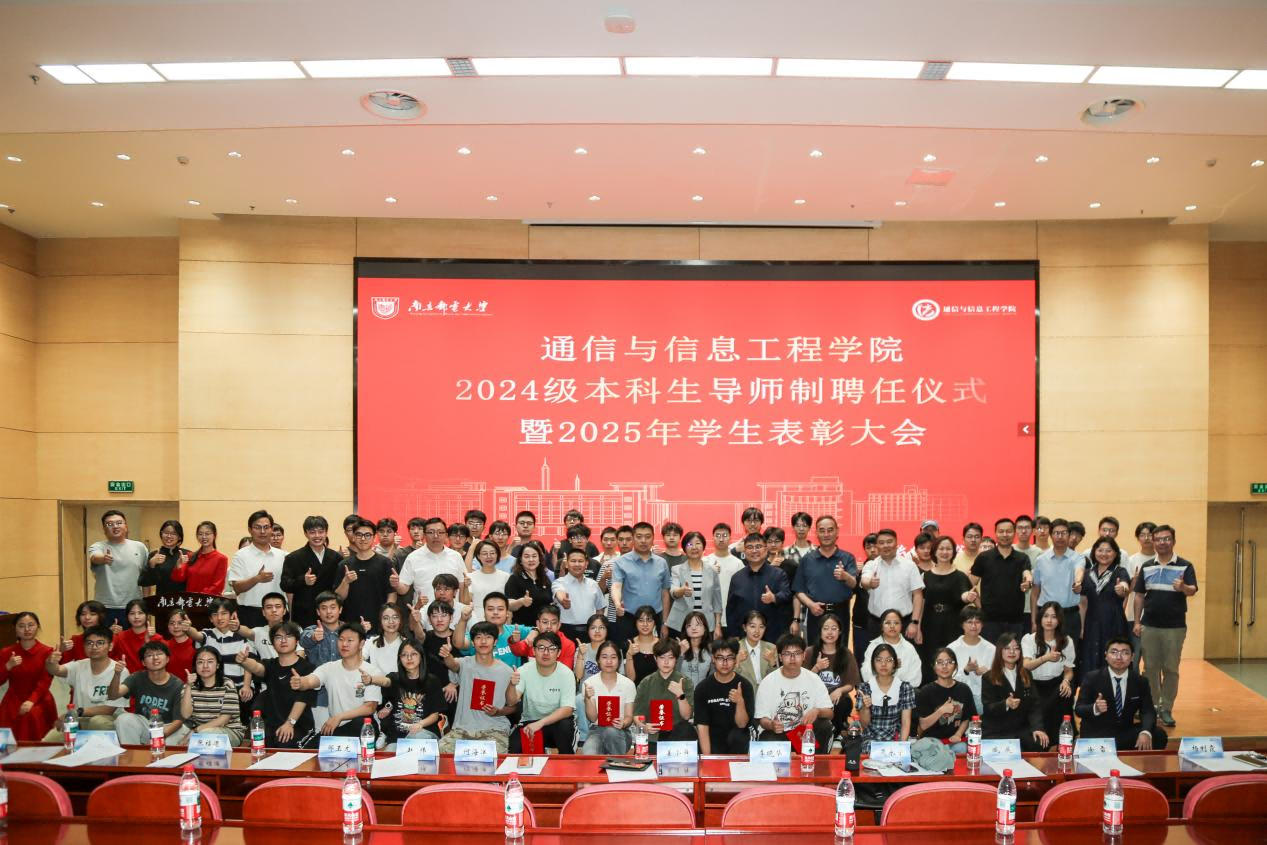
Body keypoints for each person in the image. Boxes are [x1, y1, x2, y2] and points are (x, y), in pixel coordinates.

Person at [1133, 524, 1197, 728]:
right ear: (1154, 542)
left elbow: (1192, 590)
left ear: (1173, 541)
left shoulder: (1185, 565)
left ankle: (1166, 708)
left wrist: (1183, 587)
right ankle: (1152, 707)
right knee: (1150, 669)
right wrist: (1137, 622)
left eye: (1166, 539)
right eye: (1159, 539)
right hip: (1149, 626)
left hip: (1175, 627)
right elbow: (1139, 596)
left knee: (1171, 669)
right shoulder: (1147, 566)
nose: (1162, 542)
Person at [440, 620, 520, 753]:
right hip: (462, 730)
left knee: (494, 755)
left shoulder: (506, 671)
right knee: (441, 750)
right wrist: (447, 655)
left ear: (495, 642)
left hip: (495, 729)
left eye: (488, 637)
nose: (483, 641)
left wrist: (498, 710)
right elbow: (452, 664)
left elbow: (513, 705)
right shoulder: (464, 664)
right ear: (472, 642)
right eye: (478, 637)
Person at [289, 624, 382, 738]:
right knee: (313, 746)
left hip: (364, 727)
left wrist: (339, 717)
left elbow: (370, 707)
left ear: (361, 644)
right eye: (341, 639)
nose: (344, 644)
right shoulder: (329, 668)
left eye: (350, 640)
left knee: (359, 722)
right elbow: (311, 680)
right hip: (336, 727)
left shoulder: (372, 671)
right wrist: (301, 683)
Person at [1075, 636, 1168, 750]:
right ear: (1106, 656)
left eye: (1125, 653)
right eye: (1114, 652)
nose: (1119, 657)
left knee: (1158, 735)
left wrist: (1145, 732)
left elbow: (1148, 711)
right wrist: (1095, 708)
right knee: (1102, 743)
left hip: (1124, 732)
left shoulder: (1140, 681)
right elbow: (1079, 709)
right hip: (1098, 733)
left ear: (1132, 657)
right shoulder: (1092, 678)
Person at [238, 621, 317, 748]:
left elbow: (302, 700)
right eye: (278, 637)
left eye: (288, 636)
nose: (283, 640)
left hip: (298, 726)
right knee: (257, 745)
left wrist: (289, 723)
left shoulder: (307, 667)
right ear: (273, 644)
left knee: (285, 744)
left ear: (297, 641)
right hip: (272, 725)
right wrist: (244, 661)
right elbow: (258, 668)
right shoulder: (271, 664)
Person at [753, 633, 833, 751]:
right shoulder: (768, 682)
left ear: (804, 655)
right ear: (780, 657)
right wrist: (771, 724)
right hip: (778, 733)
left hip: (804, 732)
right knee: (767, 738)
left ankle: (814, 761)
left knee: (824, 725)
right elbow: (762, 719)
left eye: (797, 653)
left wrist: (817, 711)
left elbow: (830, 713)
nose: (792, 658)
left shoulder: (814, 679)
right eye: (787, 654)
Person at [44, 625, 127, 739]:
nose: (94, 647)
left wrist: (75, 713)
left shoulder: (119, 670)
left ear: (110, 646)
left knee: (97, 722)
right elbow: (56, 670)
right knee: (50, 740)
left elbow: (109, 709)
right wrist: (51, 661)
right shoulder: (79, 666)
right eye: (89, 643)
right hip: (79, 719)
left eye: (100, 643)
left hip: (108, 719)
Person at [361, 638, 442, 749]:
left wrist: (420, 724)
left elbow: (435, 715)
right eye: (404, 655)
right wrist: (371, 679)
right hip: (398, 737)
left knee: (416, 738)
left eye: (414, 654)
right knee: (390, 753)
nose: (409, 658)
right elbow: (385, 681)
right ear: (399, 658)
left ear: (421, 656)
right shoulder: (394, 678)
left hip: (425, 733)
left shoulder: (432, 681)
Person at [792, 515, 858, 644]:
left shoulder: (847, 557)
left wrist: (845, 576)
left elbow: (854, 583)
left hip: (841, 612)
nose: (826, 534)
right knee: (815, 651)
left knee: (840, 651)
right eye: (822, 531)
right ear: (816, 533)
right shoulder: (807, 559)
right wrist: (810, 605)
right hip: (816, 612)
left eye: (830, 530)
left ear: (837, 532)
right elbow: (798, 589)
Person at [109, 640, 188, 746]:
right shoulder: (137, 677)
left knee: (164, 746)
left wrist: (158, 736)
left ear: (167, 659)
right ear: (143, 662)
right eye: (149, 655)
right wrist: (117, 674)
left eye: (159, 654)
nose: (155, 658)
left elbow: (178, 721)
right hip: (146, 724)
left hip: (168, 727)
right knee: (124, 719)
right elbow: (113, 695)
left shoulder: (177, 685)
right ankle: (133, 754)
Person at [920, 535, 976, 681]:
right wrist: (917, 626)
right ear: (935, 551)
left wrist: (967, 596)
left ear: (953, 552)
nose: (945, 552)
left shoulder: (960, 576)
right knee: (930, 660)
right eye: (941, 549)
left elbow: (964, 594)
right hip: (929, 625)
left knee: (952, 658)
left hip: (953, 625)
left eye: (948, 549)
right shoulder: (925, 576)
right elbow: (920, 603)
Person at [510, 630, 576, 753]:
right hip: (530, 722)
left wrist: (541, 723)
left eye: (551, 649)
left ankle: (566, 763)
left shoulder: (566, 673)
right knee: (514, 749)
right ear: (534, 651)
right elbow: (511, 701)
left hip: (557, 723)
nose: (546, 653)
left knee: (565, 727)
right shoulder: (524, 670)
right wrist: (511, 685)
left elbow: (567, 709)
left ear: (558, 653)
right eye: (541, 648)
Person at [980, 633, 1048, 752]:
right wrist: (1006, 704)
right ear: (1000, 651)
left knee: (1039, 742)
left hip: (1021, 729)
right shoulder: (988, 677)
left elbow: (1034, 705)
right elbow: (988, 707)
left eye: (1016, 648)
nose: (1012, 652)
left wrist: (1037, 728)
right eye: (1007, 648)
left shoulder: (1026, 674)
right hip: (997, 730)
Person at [970, 518, 1033, 643]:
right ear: (996, 533)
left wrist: (1028, 582)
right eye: (1001, 531)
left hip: (1015, 620)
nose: (1005, 535)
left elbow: (1027, 574)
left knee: (1013, 652)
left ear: (1014, 533)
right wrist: (980, 606)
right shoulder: (984, 557)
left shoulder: (1022, 558)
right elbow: (970, 584)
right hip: (989, 621)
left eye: (1008, 531)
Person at [1022, 601, 1077, 741]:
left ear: (1059, 620)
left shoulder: (1067, 641)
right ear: (1040, 618)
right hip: (1034, 685)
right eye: (1046, 616)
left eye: (1054, 617)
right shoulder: (1029, 639)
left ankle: (1063, 742)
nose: (1049, 620)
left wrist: (1066, 681)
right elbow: (1026, 665)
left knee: (1065, 692)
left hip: (1056, 684)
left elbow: (1069, 670)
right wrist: (1046, 658)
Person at [860, 529, 925, 645]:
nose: (886, 545)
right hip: (877, 624)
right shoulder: (871, 565)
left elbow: (918, 594)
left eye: (889, 541)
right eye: (881, 542)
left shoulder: (909, 566)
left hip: (904, 624)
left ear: (896, 544)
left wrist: (914, 622)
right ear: (877, 546)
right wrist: (870, 583)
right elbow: (864, 581)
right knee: (877, 656)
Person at [610, 522, 671, 645]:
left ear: (653, 539)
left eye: (647, 537)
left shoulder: (662, 563)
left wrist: (665, 623)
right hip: (629, 617)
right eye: (639, 537)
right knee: (628, 653)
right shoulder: (620, 562)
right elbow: (616, 586)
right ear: (633, 538)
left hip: (655, 618)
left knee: (655, 653)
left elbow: (665, 594)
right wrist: (617, 603)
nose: (643, 540)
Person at [0, 612, 57, 740]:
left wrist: (31, 701)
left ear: (38, 627)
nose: (26, 629)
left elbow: (45, 681)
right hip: (13, 698)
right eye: (21, 626)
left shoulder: (47, 651)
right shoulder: (6, 652)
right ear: (15, 629)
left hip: (39, 697)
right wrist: (8, 666)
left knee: (32, 716)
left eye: (31, 625)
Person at [1080, 537, 1132, 678]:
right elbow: (1083, 602)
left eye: (1108, 551)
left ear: (1115, 553)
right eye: (1100, 550)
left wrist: (1122, 588)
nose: (1104, 554)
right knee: (1091, 659)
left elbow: (1125, 586)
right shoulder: (1087, 573)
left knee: (1113, 657)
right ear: (1094, 552)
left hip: (1114, 622)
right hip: (1091, 622)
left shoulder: (1120, 571)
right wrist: (1082, 627)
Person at [726, 533, 792, 641]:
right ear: (744, 551)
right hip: (744, 637)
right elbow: (731, 609)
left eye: (758, 546)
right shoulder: (737, 578)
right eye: (750, 547)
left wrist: (774, 598)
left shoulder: (778, 574)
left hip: (773, 635)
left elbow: (787, 595)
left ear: (766, 549)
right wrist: (733, 634)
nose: (754, 551)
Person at [87, 510, 147, 628]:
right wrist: (103, 558)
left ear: (126, 526)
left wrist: (145, 603)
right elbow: (94, 557)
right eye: (110, 524)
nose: (115, 526)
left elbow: (146, 578)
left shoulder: (139, 547)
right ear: (104, 529)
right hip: (104, 606)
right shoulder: (98, 546)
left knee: (133, 638)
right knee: (104, 638)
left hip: (133, 607)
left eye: (119, 523)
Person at [694, 638, 754, 754]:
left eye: (730, 658)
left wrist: (740, 701)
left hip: (737, 736)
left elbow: (742, 724)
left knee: (738, 736)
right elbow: (702, 726)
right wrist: (708, 758)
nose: (725, 663)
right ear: (713, 659)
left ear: (735, 660)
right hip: (713, 736)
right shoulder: (702, 688)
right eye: (720, 658)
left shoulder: (745, 686)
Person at [280, 515, 342, 628]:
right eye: (312, 532)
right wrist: (303, 580)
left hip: (329, 613)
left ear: (326, 533)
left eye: (321, 532)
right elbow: (285, 585)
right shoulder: (293, 558)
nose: (317, 536)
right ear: (306, 534)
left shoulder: (336, 557)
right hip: (305, 613)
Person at [632, 638, 696, 746]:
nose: (666, 662)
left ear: (676, 659)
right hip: (653, 735)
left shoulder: (685, 681)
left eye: (670, 657)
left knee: (687, 730)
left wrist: (680, 695)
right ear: (655, 658)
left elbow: (687, 716)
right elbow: (637, 715)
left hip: (677, 735)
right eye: (662, 657)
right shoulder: (646, 683)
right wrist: (644, 727)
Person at [228, 510, 287, 628]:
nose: (262, 531)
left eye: (266, 527)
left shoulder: (283, 556)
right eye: (257, 527)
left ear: (271, 529)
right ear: (250, 530)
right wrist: (257, 579)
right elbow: (237, 587)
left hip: (278, 614)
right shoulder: (241, 555)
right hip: (250, 613)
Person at [1032, 519, 1085, 646]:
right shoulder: (1040, 560)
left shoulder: (1078, 558)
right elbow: (1035, 592)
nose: (1060, 536)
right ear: (1051, 535)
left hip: (1069, 616)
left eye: (1064, 533)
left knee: (1070, 654)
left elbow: (1079, 571)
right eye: (1056, 533)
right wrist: (1034, 621)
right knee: (1044, 652)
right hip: (1046, 616)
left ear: (1069, 535)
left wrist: (1078, 582)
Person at [807, 613, 860, 735]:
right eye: (826, 628)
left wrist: (840, 690)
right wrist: (816, 668)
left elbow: (851, 683)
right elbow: (802, 679)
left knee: (843, 703)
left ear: (840, 632)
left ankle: (837, 733)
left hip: (837, 698)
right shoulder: (810, 652)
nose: (829, 632)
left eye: (834, 628)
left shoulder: (846, 654)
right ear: (820, 631)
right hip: (814, 697)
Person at [337, 518, 395, 628]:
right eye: (359, 535)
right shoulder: (344, 565)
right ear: (353, 537)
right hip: (351, 625)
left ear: (374, 537)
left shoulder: (385, 563)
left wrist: (387, 618)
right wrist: (346, 581)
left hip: (379, 623)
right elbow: (338, 597)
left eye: (367, 535)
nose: (363, 538)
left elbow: (392, 594)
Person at [181, 647, 246, 745]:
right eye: (200, 662)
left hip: (229, 730)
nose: (205, 666)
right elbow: (186, 715)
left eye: (210, 662)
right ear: (195, 666)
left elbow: (224, 720)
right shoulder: (188, 686)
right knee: (173, 738)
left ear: (218, 665)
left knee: (203, 737)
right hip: (199, 731)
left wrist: (196, 730)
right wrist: (189, 686)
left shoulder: (227, 684)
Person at [915, 647, 976, 752]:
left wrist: (958, 734)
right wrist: (941, 711)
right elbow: (923, 725)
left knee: (962, 748)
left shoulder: (964, 689)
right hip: (931, 742)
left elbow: (966, 718)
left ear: (955, 666)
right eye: (940, 662)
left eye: (949, 662)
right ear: (934, 667)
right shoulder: (926, 691)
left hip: (954, 742)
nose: (944, 666)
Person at [581, 640, 637, 754]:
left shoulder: (628, 684)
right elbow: (592, 718)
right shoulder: (589, 683)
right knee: (588, 753)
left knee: (611, 732)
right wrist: (588, 698)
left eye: (613, 657)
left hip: (620, 731)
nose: (609, 661)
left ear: (619, 660)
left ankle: (618, 762)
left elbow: (629, 716)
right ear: (598, 660)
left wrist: (623, 723)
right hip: (597, 730)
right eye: (604, 657)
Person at [667, 531, 724, 639]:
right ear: (684, 548)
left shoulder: (712, 570)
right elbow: (673, 592)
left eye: (698, 543)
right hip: (681, 623)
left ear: (703, 547)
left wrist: (717, 625)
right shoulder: (677, 569)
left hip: (706, 623)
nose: (694, 547)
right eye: (689, 544)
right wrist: (682, 591)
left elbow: (717, 601)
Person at [855, 643, 914, 746]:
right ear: (873, 663)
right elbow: (865, 724)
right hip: (871, 739)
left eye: (889, 660)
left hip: (895, 738)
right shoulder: (864, 688)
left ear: (895, 663)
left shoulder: (905, 688)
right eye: (879, 660)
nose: (883, 664)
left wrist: (901, 746)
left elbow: (905, 723)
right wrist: (865, 707)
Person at [397, 517, 466, 601]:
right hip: (424, 608)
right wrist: (396, 584)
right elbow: (403, 589)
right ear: (424, 535)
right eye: (431, 532)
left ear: (446, 535)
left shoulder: (456, 557)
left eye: (440, 532)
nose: (436, 536)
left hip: (451, 608)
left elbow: (462, 585)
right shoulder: (413, 557)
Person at [948, 607, 996, 714]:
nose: (974, 626)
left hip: (984, 697)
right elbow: (946, 679)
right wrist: (965, 670)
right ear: (962, 624)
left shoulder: (991, 649)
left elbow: (998, 679)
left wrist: (988, 674)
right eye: (969, 622)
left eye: (977, 622)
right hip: (957, 697)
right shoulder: (952, 649)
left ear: (982, 625)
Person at [553, 548, 605, 642]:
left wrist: (598, 628)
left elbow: (600, 608)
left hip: (590, 632)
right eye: (573, 561)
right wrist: (563, 601)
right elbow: (560, 593)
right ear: (567, 564)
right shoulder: (559, 582)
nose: (577, 564)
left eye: (580, 561)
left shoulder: (593, 584)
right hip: (566, 631)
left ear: (586, 564)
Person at [862, 608, 922, 689]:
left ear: (901, 626)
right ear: (882, 626)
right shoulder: (873, 646)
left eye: (896, 623)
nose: (892, 626)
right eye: (888, 623)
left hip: (903, 692)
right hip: (877, 690)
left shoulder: (909, 649)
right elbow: (866, 674)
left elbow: (916, 679)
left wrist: (896, 687)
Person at [1125, 522, 1157, 671]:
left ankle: (1152, 686)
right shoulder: (1131, 560)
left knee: (1153, 662)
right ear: (1138, 538)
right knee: (1134, 659)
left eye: (1150, 534)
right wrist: (1134, 582)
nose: (1147, 538)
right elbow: (1127, 591)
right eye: (1143, 535)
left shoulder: (1160, 560)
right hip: (1134, 617)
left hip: (1155, 618)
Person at [510, 604, 576, 670]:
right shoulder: (532, 638)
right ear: (538, 624)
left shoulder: (568, 645)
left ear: (559, 625)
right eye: (545, 622)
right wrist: (514, 641)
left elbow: (566, 671)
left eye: (553, 623)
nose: (549, 626)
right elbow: (518, 651)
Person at [171, 521, 228, 596]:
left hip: (208, 600)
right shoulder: (191, 556)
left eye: (207, 534)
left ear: (214, 535)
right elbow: (178, 578)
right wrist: (178, 565)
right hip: (190, 600)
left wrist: (199, 597)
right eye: (200, 534)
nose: (204, 537)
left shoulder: (221, 559)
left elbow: (217, 586)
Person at [506, 541, 554, 626]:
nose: (531, 559)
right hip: (522, 628)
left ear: (539, 559)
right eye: (527, 556)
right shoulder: (514, 578)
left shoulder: (544, 578)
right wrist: (521, 602)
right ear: (520, 560)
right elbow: (509, 605)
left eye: (534, 556)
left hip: (543, 628)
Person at [137, 520, 190, 597]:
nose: (169, 536)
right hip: (162, 600)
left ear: (179, 537)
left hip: (183, 600)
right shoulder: (154, 555)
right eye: (166, 533)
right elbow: (145, 582)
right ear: (161, 534)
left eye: (173, 533)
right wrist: (151, 564)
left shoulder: (187, 554)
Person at [59, 600, 118, 665]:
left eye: (92, 614)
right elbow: (63, 666)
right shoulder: (75, 640)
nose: (87, 618)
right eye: (83, 614)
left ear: (101, 616)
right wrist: (61, 651)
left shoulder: (112, 638)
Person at [470, 540, 512, 624]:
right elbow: (466, 602)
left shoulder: (506, 576)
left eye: (492, 553)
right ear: (478, 556)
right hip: (476, 621)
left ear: (497, 555)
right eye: (484, 553)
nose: (489, 556)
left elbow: (509, 602)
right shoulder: (470, 577)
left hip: (499, 620)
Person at [708, 523, 744, 621]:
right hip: (709, 617)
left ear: (730, 538)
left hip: (731, 616)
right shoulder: (705, 561)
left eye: (724, 535)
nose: (721, 539)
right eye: (717, 535)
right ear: (713, 538)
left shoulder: (738, 563)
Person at [852, 534, 878, 665]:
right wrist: (855, 575)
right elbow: (851, 592)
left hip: (882, 623)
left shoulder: (891, 568)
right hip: (861, 622)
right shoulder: (859, 570)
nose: (872, 550)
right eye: (868, 547)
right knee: (861, 660)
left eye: (875, 546)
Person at [114, 598, 159, 672]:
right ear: (127, 616)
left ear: (147, 616)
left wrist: (148, 641)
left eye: (140, 613)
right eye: (132, 613)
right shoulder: (119, 637)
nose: (136, 617)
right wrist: (110, 634)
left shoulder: (157, 638)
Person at [735, 611, 777, 687]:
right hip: (744, 690)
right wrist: (736, 662)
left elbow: (777, 678)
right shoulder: (735, 648)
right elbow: (730, 677)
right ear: (744, 627)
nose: (757, 631)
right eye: (752, 626)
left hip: (767, 690)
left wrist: (772, 663)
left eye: (761, 627)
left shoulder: (771, 648)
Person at [676, 611, 715, 690]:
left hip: (703, 692)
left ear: (705, 628)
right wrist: (681, 654)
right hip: (680, 692)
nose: (693, 628)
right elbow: (673, 675)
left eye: (698, 625)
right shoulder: (677, 647)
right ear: (685, 629)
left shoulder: (711, 650)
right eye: (689, 625)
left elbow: (714, 676)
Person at [362, 603, 405, 671]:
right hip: (374, 677)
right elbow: (357, 660)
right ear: (380, 621)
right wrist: (361, 633)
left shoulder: (406, 643)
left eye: (395, 617)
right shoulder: (372, 642)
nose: (391, 621)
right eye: (386, 618)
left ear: (400, 620)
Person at [624, 606, 661, 684]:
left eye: (649, 620)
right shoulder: (629, 644)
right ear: (636, 623)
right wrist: (629, 655)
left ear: (655, 623)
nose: (645, 624)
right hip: (636, 689)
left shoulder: (662, 645)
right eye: (641, 620)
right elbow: (630, 679)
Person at [161, 610, 196, 681]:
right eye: (172, 623)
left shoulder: (196, 645)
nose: (175, 626)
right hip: (168, 686)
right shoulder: (163, 646)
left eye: (180, 623)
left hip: (191, 686)